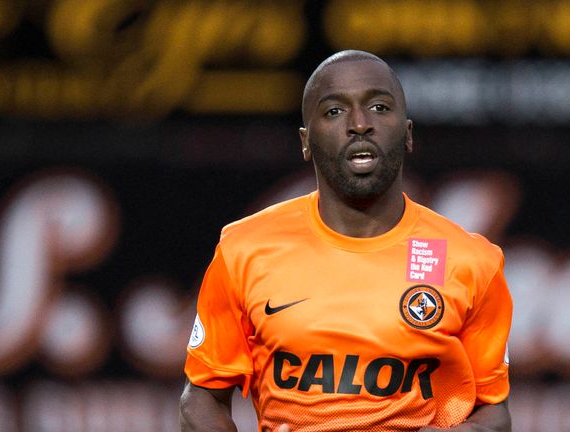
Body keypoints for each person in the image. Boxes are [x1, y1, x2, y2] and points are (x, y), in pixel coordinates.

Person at [179, 50, 513, 432]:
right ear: (305, 142)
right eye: (334, 111)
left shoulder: (471, 261)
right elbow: (201, 398)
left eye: (379, 107)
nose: (359, 124)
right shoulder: (244, 249)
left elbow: (494, 411)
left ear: (407, 134)